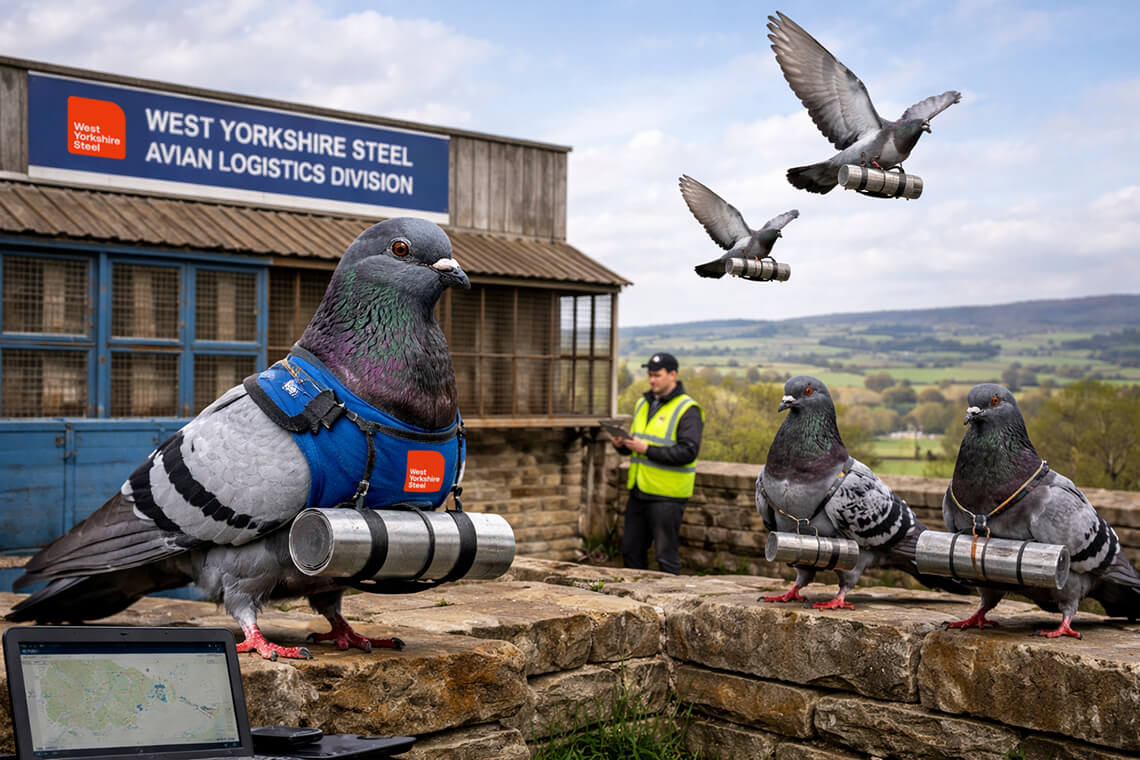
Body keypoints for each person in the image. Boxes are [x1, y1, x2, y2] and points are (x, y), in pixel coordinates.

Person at [611, 352, 704, 575]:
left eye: (657, 375)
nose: (652, 380)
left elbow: (688, 452)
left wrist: (647, 449)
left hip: (667, 496)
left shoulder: (688, 409)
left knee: (666, 557)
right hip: (639, 491)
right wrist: (622, 444)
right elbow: (640, 442)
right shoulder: (643, 403)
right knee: (631, 552)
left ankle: (670, 605)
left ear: (673, 375)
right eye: (650, 375)